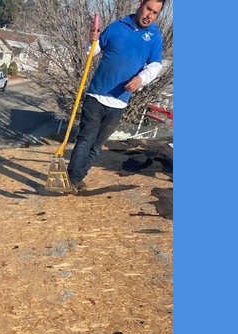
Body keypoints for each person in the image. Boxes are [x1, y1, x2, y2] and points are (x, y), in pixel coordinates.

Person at [66, 0, 165, 193]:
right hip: (97, 94)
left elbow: (155, 65)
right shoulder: (118, 26)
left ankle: (78, 177)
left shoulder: (154, 36)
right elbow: (92, 52)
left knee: (97, 145)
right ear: (139, 4)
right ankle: (72, 179)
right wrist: (92, 40)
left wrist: (140, 79)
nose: (149, 15)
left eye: (155, 13)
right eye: (148, 9)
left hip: (120, 102)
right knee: (86, 139)